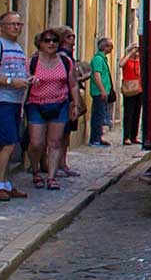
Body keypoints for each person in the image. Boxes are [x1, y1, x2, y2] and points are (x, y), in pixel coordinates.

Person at [0, 11, 32, 201]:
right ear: (2, 26)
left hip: (15, 101)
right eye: (12, 24)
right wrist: (11, 82)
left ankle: (5, 183)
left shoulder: (17, 47)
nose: (16, 28)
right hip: (1, 100)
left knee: (7, 143)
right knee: (8, 143)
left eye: (19, 24)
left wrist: (27, 80)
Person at [25, 29, 79, 190]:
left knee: (55, 142)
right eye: (47, 40)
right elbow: (23, 83)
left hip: (59, 104)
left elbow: (73, 84)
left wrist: (76, 104)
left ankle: (51, 177)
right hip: (36, 104)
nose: (51, 44)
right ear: (40, 43)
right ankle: (35, 171)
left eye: (55, 40)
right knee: (36, 143)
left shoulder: (65, 61)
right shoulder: (32, 62)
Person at [54, 26, 88, 177]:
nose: (73, 40)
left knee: (65, 134)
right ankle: (59, 165)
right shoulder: (62, 56)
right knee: (61, 134)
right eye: (69, 37)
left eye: (73, 36)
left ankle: (62, 163)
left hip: (69, 98)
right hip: (64, 99)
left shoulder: (68, 55)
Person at [88, 37, 115, 146]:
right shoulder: (98, 59)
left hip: (103, 92)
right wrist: (102, 90)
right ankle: (95, 139)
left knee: (101, 115)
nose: (111, 49)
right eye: (110, 46)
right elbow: (97, 75)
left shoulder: (102, 59)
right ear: (104, 47)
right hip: (99, 92)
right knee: (98, 116)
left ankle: (98, 137)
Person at [119, 44, 142, 145]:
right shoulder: (127, 59)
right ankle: (126, 137)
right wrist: (129, 53)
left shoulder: (139, 61)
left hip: (139, 89)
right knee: (129, 113)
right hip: (129, 89)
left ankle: (134, 136)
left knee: (137, 113)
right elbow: (121, 64)